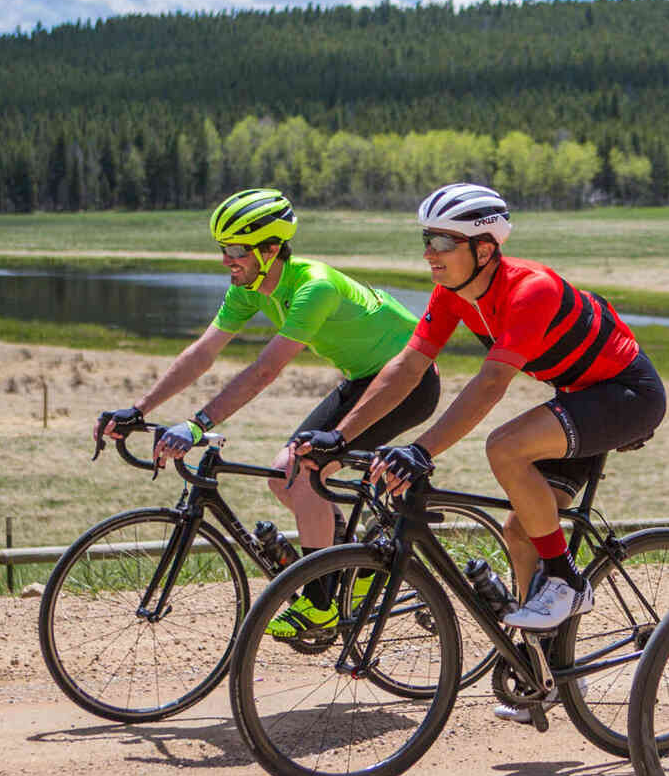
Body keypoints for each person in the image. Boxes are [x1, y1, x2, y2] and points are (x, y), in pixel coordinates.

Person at [296, 182, 666, 713]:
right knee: (521, 528)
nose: (429, 253)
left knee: (505, 447)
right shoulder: (451, 294)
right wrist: (342, 435)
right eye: (427, 240)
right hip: (579, 396)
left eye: (443, 243)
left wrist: (421, 450)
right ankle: (547, 669)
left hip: (626, 396)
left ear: (485, 249)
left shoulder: (528, 290)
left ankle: (565, 580)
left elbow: (492, 383)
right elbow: (408, 366)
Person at [94, 188, 440, 639]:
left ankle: (321, 605)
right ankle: (356, 561)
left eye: (236, 251)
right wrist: (139, 409)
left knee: (302, 469)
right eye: (223, 250)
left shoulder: (313, 286)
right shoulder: (249, 289)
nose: (225, 261)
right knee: (284, 477)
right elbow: (203, 353)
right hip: (364, 377)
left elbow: (265, 370)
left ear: (271, 249)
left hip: (407, 384)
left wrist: (198, 425)